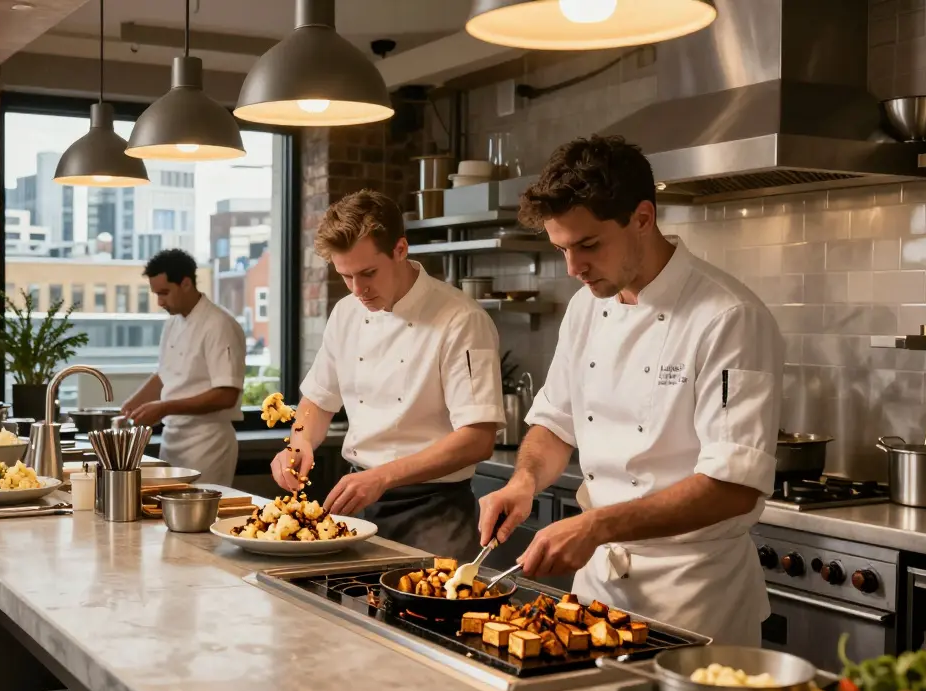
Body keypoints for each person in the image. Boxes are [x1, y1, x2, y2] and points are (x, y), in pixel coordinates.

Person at [477, 136, 783, 646]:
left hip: (694, 597)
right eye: (561, 249)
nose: (573, 268)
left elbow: (734, 486)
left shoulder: (729, 317)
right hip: (598, 589)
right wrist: (524, 482)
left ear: (643, 217)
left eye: (588, 245)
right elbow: (555, 423)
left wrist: (596, 525)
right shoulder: (585, 308)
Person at [271, 189, 505, 561]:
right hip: (357, 500)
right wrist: (299, 443)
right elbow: (318, 398)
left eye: (368, 273)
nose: (358, 290)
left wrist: (383, 477)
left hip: (433, 511)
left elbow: (478, 439)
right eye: (345, 276)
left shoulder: (461, 320)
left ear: (400, 249)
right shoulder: (346, 313)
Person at [121, 248, 245, 486]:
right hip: (172, 439)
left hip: (207, 443)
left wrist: (164, 407)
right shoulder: (172, 324)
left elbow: (227, 395)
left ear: (186, 283)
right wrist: (129, 407)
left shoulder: (219, 325)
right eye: (156, 294)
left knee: (200, 519)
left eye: (165, 293)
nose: (160, 302)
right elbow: (164, 375)